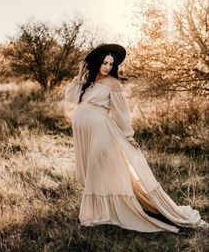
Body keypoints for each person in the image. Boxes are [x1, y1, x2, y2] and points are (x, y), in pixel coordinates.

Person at [64, 43, 208, 233]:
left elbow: (121, 113)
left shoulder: (113, 84)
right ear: (97, 62)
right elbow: (72, 98)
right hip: (85, 132)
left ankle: (110, 210)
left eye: (111, 64)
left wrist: (128, 135)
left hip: (101, 131)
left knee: (98, 165)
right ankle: (100, 211)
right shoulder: (88, 82)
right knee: (93, 169)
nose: (107, 67)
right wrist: (79, 76)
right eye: (105, 63)